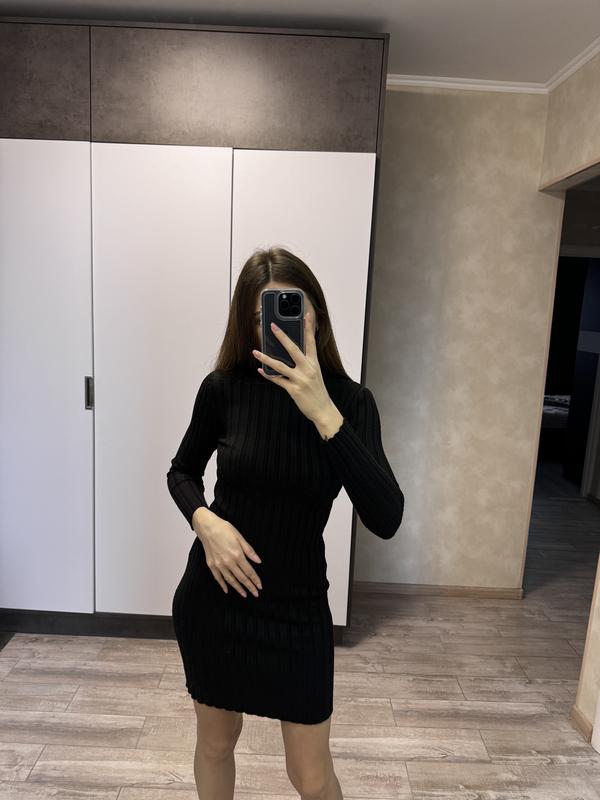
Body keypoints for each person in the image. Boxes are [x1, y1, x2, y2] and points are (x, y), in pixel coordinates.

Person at [167, 246, 404, 799]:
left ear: (315, 315)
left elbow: (386, 516)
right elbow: (182, 472)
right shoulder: (223, 389)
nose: (275, 326)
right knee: (215, 745)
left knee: (312, 776)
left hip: (298, 610)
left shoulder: (352, 403)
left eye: (291, 308)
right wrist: (205, 522)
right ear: (246, 325)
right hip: (217, 600)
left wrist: (322, 411)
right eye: (259, 316)